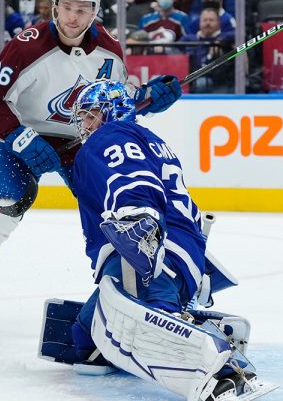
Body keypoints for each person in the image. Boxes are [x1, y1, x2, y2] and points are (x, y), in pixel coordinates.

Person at [0, 0, 182, 331]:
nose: (72, 17)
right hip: (20, 140)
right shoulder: (26, 45)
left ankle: (136, 291)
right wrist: (19, 137)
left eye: (82, 9)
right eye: (66, 7)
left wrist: (147, 99)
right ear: (55, 6)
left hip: (80, 143)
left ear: (95, 10)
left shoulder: (109, 49)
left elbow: (113, 103)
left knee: (115, 212)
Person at [38, 79, 264, 400]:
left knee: (159, 323)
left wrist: (138, 220)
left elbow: (133, 179)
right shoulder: (150, 139)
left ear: (111, 111)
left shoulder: (109, 136)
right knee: (83, 341)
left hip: (149, 252)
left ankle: (228, 371)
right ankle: (186, 326)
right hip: (180, 252)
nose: (84, 125)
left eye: (90, 115)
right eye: (82, 117)